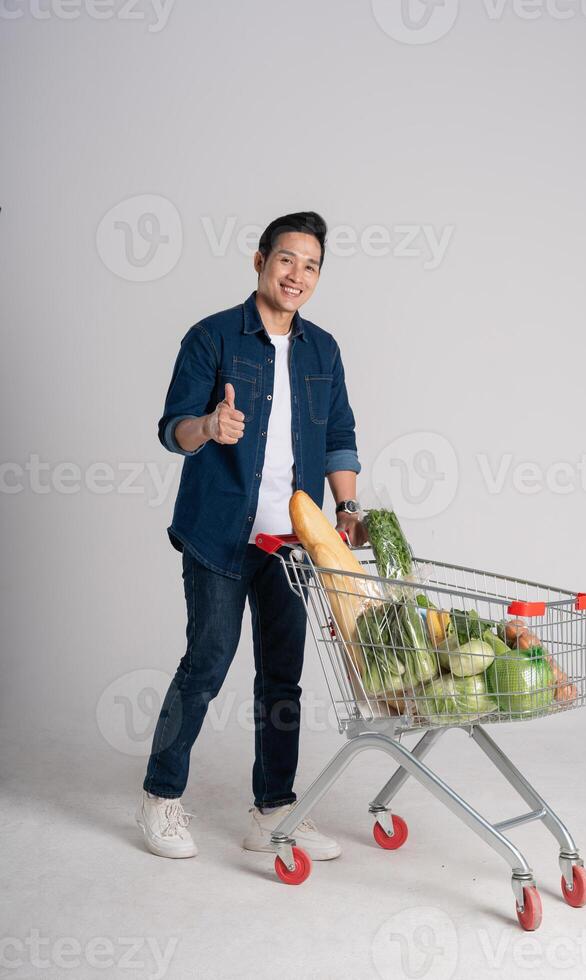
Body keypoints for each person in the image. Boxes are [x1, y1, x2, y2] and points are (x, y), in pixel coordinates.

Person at [136, 211, 367, 861]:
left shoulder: (323, 349)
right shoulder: (212, 338)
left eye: (312, 265)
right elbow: (172, 428)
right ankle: (159, 797)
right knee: (206, 664)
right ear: (260, 260)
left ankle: (273, 811)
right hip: (218, 534)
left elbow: (341, 434)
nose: (298, 275)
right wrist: (209, 427)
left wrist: (346, 507)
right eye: (287, 259)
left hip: (290, 542)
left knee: (282, 680)